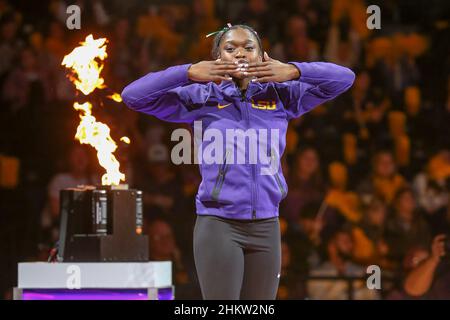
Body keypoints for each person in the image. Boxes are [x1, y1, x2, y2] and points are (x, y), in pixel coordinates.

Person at [121, 23, 355, 300]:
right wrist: (186, 72)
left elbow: (345, 78)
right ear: (217, 59)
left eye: (249, 47)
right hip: (219, 224)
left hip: (267, 224)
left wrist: (294, 70)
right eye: (230, 49)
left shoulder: (281, 96)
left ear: (262, 56)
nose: (240, 54)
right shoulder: (202, 98)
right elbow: (133, 96)